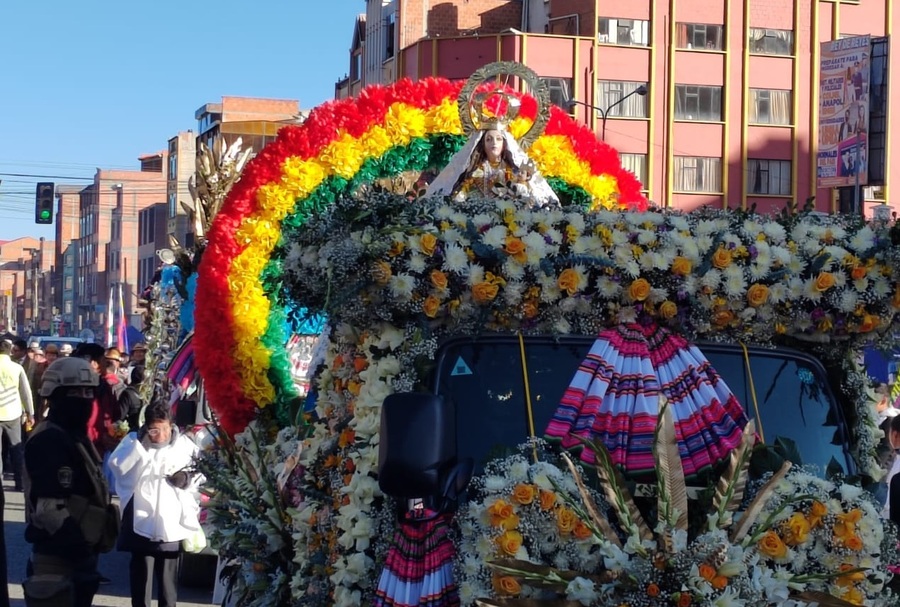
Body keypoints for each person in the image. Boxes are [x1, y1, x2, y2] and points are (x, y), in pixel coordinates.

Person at [23, 356, 118, 607]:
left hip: (79, 556)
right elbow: (48, 508)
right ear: (56, 395)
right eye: (76, 392)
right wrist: (76, 545)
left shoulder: (74, 434)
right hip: (56, 557)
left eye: (89, 392)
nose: (85, 398)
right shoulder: (49, 439)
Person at [109, 402, 202, 607]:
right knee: (141, 572)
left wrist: (186, 478)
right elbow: (117, 467)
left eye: (165, 429)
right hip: (141, 516)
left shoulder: (184, 445)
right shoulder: (133, 442)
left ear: (172, 425)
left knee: (168, 577)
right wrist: (140, 448)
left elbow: (201, 470)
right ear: (146, 427)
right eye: (154, 430)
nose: (160, 435)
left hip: (169, 520)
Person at [0, 340, 34, 491]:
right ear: (10, 351)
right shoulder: (17, 368)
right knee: (16, 448)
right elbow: (26, 393)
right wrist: (30, 412)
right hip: (13, 412)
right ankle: (19, 483)